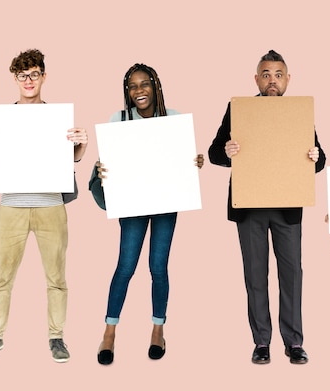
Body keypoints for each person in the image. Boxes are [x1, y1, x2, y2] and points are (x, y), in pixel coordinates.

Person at [0, 49, 88, 363]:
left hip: (50, 205)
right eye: (23, 75)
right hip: (12, 206)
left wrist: (82, 142)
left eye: (34, 74)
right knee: (2, 276)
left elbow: (73, 158)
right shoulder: (3, 120)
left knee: (57, 277)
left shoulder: (57, 118)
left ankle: (57, 337)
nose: (28, 80)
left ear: (43, 76)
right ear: (15, 79)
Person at [208, 50, 325, 365]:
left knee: (292, 276)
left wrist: (315, 157)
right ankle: (262, 343)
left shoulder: (298, 112)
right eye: (266, 74)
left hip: (287, 206)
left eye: (278, 74)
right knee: (255, 276)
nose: (272, 80)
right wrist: (227, 150)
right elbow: (214, 152)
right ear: (256, 79)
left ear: (287, 79)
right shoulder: (239, 110)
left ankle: (294, 343)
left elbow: (319, 159)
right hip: (250, 207)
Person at [93, 63, 204, 365]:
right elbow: (109, 162)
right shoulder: (119, 119)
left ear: (156, 86)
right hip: (133, 203)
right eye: (132, 86)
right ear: (127, 91)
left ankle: (158, 329)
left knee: (158, 266)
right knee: (125, 267)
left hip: (166, 202)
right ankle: (109, 332)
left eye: (144, 84)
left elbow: (183, 162)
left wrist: (194, 161)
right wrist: (102, 169)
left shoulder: (174, 119)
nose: (138, 90)